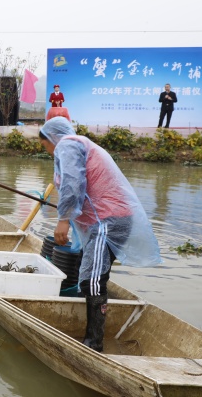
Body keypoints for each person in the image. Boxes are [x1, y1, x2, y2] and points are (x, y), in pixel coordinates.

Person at [38, 117, 161, 352]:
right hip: (111, 220)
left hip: (108, 221)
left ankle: (93, 343)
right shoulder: (82, 144)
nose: (48, 151)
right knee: (95, 275)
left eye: (45, 146)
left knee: (91, 281)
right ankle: (93, 337)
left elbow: (73, 183)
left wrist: (63, 220)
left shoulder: (67, 144)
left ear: (52, 138)